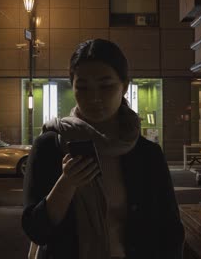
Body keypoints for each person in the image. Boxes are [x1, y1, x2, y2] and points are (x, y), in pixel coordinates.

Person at [22, 38, 185, 259]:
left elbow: (170, 232)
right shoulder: (50, 146)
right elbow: (36, 230)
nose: (94, 97)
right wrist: (66, 183)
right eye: (83, 87)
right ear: (72, 86)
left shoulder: (146, 154)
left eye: (106, 86)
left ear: (124, 86)